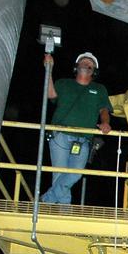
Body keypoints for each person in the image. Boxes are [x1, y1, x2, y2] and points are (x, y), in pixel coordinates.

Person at [41, 51, 113, 204]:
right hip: (59, 134)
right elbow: (51, 95)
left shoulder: (99, 89)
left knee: (76, 173)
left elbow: (104, 110)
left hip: (83, 138)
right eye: (83, 61)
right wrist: (49, 70)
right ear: (76, 66)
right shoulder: (63, 83)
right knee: (59, 175)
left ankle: (45, 201)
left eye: (90, 63)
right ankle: (64, 212)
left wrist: (105, 123)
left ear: (94, 71)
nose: (86, 64)